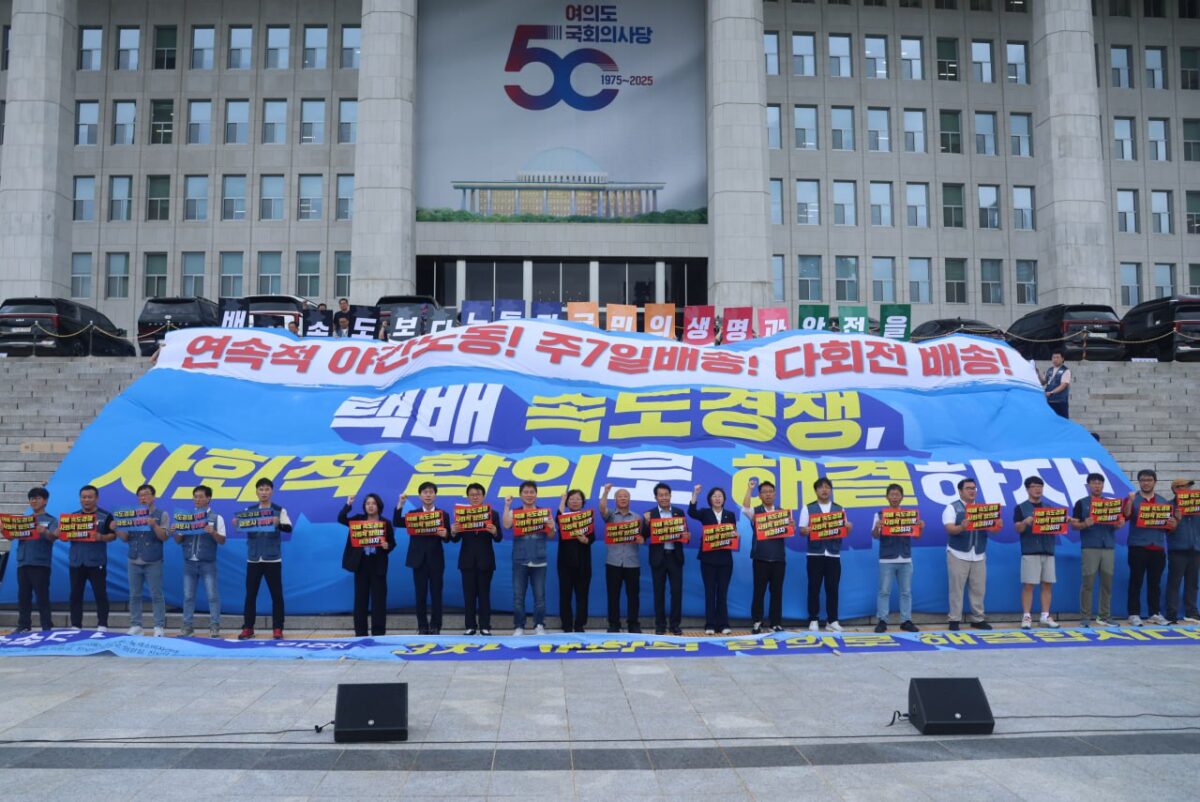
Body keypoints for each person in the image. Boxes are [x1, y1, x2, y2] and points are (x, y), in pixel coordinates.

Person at [113, 483, 171, 637]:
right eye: (140, 495)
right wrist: (116, 529)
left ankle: (158, 626)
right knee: (134, 595)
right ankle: (136, 625)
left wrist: (154, 526)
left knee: (156, 594)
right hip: (133, 559)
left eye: (146, 494)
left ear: (154, 497)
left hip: (153, 560)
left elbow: (164, 537)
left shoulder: (161, 514)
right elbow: (125, 538)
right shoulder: (132, 515)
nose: (143, 497)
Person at [239, 477, 293, 640]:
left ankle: (278, 628)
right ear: (256, 492)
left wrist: (278, 524)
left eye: (267, 489)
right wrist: (238, 523)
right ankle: (248, 628)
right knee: (250, 595)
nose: (264, 492)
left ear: (272, 491)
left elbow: (289, 528)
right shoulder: (249, 510)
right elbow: (243, 527)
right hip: (254, 559)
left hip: (272, 560)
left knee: (276, 595)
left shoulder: (279, 510)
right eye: (261, 489)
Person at [393, 482, 449, 635]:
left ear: (435, 495)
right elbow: (397, 522)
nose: (428, 495)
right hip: (418, 560)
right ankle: (422, 625)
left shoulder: (443, 514)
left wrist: (446, 535)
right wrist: (401, 503)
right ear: (420, 496)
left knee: (437, 594)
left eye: (431, 492)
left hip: (436, 560)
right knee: (420, 594)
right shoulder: (413, 514)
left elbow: (448, 536)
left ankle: (436, 625)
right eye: (425, 492)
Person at [798, 477, 853, 632]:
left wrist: (849, 527)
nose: (824, 490)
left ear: (831, 490)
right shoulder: (808, 508)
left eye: (827, 487)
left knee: (832, 588)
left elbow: (844, 532)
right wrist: (805, 531)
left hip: (833, 555)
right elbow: (802, 530)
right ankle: (813, 619)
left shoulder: (839, 509)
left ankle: (832, 620)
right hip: (814, 554)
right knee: (813, 587)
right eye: (821, 487)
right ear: (816, 491)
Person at [1122, 469, 1175, 626]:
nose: (1146, 482)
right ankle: (1133, 614)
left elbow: (1169, 528)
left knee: (1155, 583)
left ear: (1155, 482)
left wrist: (1174, 523)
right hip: (1138, 546)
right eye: (1143, 480)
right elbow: (1125, 516)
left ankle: (1154, 613)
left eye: (1149, 480)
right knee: (1136, 581)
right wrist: (1130, 501)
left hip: (1158, 547)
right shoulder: (1132, 498)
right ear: (1139, 482)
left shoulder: (1163, 502)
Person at [1069, 472, 1122, 627]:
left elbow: (1117, 524)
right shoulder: (1081, 503)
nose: (1097, 485)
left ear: (1103, 485)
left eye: (1099, 483)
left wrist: (1119, 524)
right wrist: (1085, 524)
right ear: (1088, 486)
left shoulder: (1111, 504)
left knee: (1107, 583)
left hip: (1108, 547)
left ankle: (1104, 616)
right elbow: (1074, 525)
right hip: (1090, 547)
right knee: (1088, 583)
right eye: (1093, 483)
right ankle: (1085, 617)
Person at [340, 493, 396, 636]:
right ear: (364, 507)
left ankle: (378, 633)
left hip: (378, 564)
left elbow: (392, 543)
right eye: (367, 504)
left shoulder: (386, 522)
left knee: (379, 601)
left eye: (373, 503)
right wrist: (348, 504)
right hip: (361, 564)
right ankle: (360, 632)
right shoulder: (358, 519)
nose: (370, 506)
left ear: (378, 506)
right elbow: (341, 519)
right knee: (360, 600)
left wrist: (386, 545)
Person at [450, 482, 503, 635]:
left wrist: (494, 531)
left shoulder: (493, 514)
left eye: (478, 494)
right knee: (469, 595)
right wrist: (453, 531)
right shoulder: (461, 513)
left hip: (485, 560)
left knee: (484, 594)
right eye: (472, 494)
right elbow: (455, 539)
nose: (475, 497)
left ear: (483, 496)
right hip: (467, 561)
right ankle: (470, 626)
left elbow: (498, 538)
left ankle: (485, 626)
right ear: (467, 497)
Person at [174, 484, 226, 638]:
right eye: (195, 496)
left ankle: (215, 627)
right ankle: (187, 627)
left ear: (208, 498)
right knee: (188, 596)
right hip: (189, 561)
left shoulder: (216, 518)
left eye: (201, 496)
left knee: (212, 596)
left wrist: (213, 532)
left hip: (207, 562)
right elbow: (177, 540)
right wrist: (178, 531)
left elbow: (222, 540)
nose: (197, 499)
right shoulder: (186, 517)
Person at [943, 477, 993, 632]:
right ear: (960, 491)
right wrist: (962, 527)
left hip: (978, 554)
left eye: (974, 488)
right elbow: (950, 529)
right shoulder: (952, 508)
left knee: (979, 589)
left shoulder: (983, 509)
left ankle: (978, 619)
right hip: (958, 554)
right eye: (968, 488)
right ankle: (954, 620)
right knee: (956, 589)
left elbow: (992, 530)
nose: (972, 491)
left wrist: (997, 525)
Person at [503, 480, 552, 635]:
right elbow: (506, 525)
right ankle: (519, 626)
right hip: (520, 559)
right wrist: (507, 505)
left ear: (536, 494)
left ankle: (539, 625)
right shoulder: (514, 513)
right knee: (518, 596)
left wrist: (551, 526)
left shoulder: (545, 513)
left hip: (539, 559)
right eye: (526, 492)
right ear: (521, 495)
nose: (529, 495)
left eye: (532, 492)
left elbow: (551, 535)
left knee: (540, 596)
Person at [871, 483, 922, 633]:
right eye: (892, 495)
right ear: (887, 497)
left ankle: (906, 620)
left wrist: (921, 526)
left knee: (906, 592)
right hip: (886, 559)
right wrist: (877, 527)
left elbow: (917, 537)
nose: (894, 497)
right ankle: (882, 620)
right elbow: (874, 536)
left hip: (905, 559)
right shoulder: (879, 515)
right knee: (884, 591)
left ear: (902, 497)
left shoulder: (909, 515)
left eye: (897, 495)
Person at [1013, 476, 1061, 629]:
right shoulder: (1020, 508)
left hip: (1048, 550)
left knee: (1047, 584)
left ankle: (1045, 616)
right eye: (1034, 486)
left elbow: (1057, 528)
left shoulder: (1049, 508)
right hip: (1030, 551)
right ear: (1027, 489)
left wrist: (1062, 521)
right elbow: (1017, 529)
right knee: (1029, 585)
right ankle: (1026, 616)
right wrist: (1025, 523)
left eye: (1040, 486)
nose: (1037, 489)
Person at [688, 484, 737, 635]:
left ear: (724, 499)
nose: (717, 498)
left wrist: (735, 535)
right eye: (714, 496)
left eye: (720, 496)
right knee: (710, 593)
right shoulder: (705, 513)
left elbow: (733, 533)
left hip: (725, 560)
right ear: (710, 499)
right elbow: (691, 512)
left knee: (722, 593)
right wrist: (695, 494)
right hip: (708, 559)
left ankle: (723, 624)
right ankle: (710, 624)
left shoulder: (730, 514)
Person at [742, 478, 787, 634]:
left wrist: (791, 526)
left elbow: (788, 530)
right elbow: (745, 507)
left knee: (777, 592)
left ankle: (775, 623)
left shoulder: (782, 513)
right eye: (764, 492)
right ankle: (757, 622)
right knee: (759, 591)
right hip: (760, 558)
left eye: (770, 492)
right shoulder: (756, 512)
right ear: (760, 496)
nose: (768, 494)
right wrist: (750, 489)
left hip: (779, 559)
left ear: (775, 494)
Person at [68, 484, 116, 631]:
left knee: (100, 593)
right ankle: (76, 624)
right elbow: (63, 535)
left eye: (90, 497)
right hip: (76, 561)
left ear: (97, 498)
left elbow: (113, 536)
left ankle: (102, 624)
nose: (86, 500)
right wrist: (62, 534)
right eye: (83, 497)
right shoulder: (73, 517)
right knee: (75, 594)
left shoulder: (105, 516)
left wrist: (101, 536)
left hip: (96, 561)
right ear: (80, 499)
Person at [599, 484, 644, 633]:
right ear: (615, 499)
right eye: (620, 496)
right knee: (613, 595)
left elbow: (643, 536)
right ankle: (614, 624)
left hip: (632, 562)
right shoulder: (611, 516)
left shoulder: (638, 517)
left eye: (626, 496)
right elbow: (602, 509)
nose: (623, 498)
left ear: (630, 499)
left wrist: (641, 539)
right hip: (613, 561)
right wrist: (605, 492)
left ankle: (633, 624)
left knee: (633, 596)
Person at [645, 482, 688, 636]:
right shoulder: (650, 514)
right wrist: (646, 523)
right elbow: (643, 536)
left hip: (675, 557)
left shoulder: (679, 512)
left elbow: (685, 534)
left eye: (666, 494)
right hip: (658, 558)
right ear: (656, 497)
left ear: (670, 495)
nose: (664, 497)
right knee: (659, 592)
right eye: (660, 495)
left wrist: (686, 537)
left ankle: (675, 625)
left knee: (676, 592)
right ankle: (660, 625)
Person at [15, 487, 57, 633]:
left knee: (42, 597)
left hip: (40, 563)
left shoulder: (51, 520)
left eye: (38, 498)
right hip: (23, 562)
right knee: (23, 596)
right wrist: (4, 529)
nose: (34, 500)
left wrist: (44, 531)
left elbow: (53, 538)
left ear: (45, 501)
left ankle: (46, 626)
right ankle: (23, 625)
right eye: (32, 498)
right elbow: (10, 537)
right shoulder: (24, 520)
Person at [556, 488, 595, 633]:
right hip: (565, 563)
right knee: (565, 595)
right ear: (567, 502)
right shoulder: (563, 516)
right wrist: (562, 499)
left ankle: (579, 625)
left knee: (582, 595)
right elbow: (557, 517)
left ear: (583, 502)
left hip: (583, 563)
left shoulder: (587, 517)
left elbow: (592, 538)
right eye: (571, 499)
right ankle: (566, 624)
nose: (575, 501)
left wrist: (584, 539)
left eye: (578, 499)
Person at [1165, 479, 1199, 625]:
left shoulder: (1197, 506)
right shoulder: (1168, 506)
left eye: (1188, 486)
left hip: (1196, 549)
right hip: (1177, 549)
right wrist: (1177, 519)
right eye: (1181, 487)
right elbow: (1167, 530)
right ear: (1174, 489)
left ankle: (1191, 612)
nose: (1185, 489)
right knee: (1174, 583)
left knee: (1192, 583)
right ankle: (1171, 614)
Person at [1041, 350, 1071, 418]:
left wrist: (1052, 392)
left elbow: (1063, 385)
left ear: (1062, 359)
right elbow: (1043, 382)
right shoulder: (1049, 370)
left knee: (1062, 422)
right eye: (1053, 357)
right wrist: (1037, 374)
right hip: (1049, 401)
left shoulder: (1066, 370)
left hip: (1060, 402)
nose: (1055, 359)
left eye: (1057, 357)